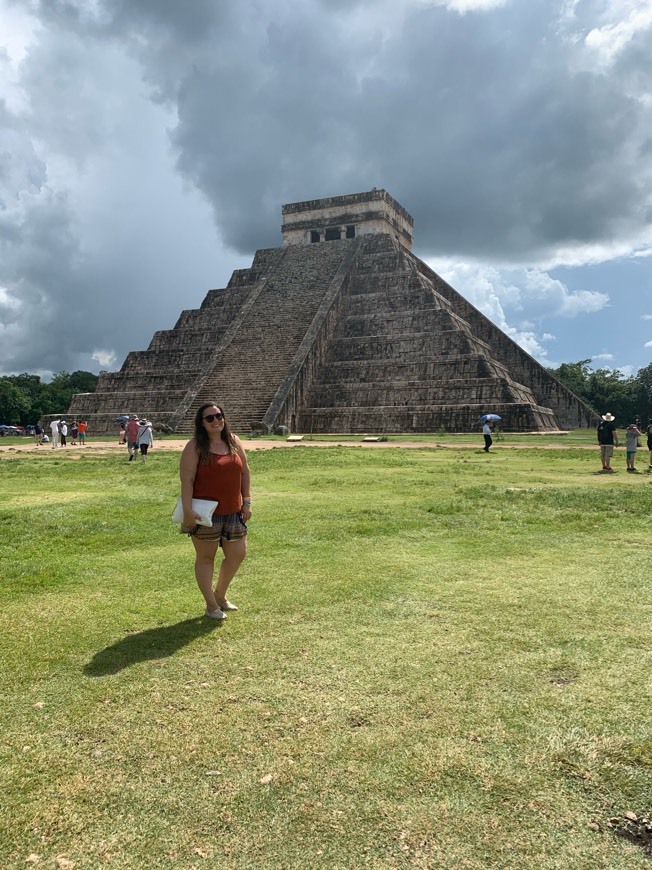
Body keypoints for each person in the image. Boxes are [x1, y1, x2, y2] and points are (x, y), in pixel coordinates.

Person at [179, 403, 252, 620]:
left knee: (238, 554)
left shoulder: (233, 441)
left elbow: (245, 473)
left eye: (219, 416)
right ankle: (211, 606)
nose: (216, 420)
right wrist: (188, 511)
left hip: (233, 510)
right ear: (201, 423)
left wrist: (247, 501)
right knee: (206, 558)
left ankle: (219, 594)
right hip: (205, 513)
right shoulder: (195, 447)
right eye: (209, 418)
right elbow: (187, 481)